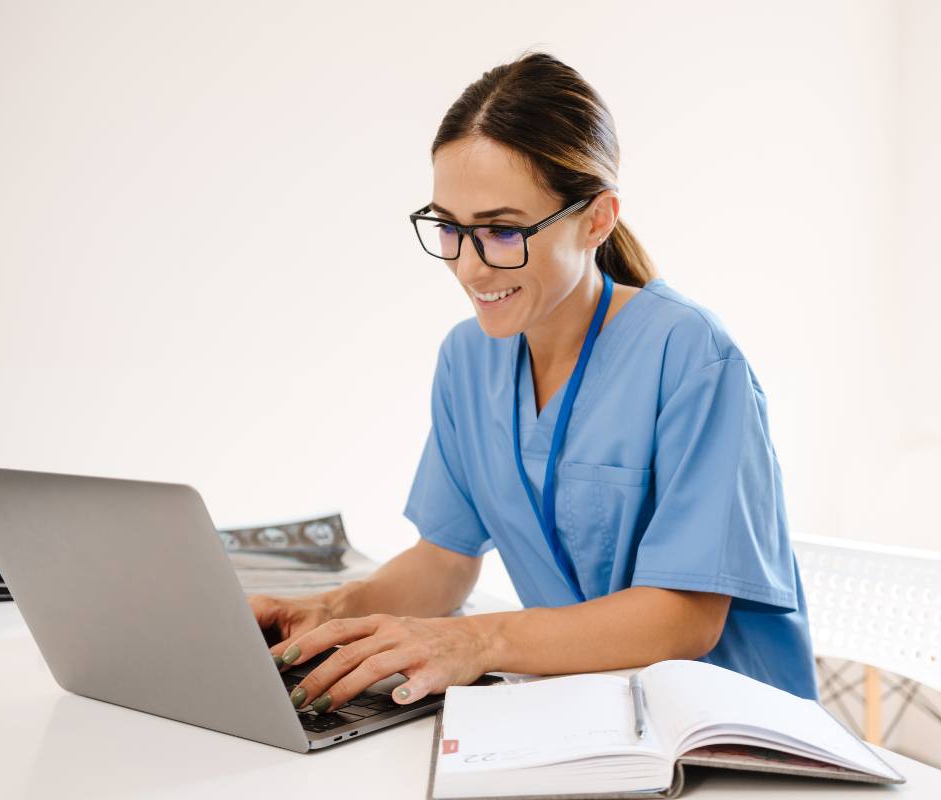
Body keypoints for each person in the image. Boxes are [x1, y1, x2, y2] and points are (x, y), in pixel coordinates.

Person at [249, 51, 817, 718]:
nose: (469, 268)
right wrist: (329, 612)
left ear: (597, 219)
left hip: (726, 729)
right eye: (450, 228)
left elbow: (686, 617)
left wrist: (478, 641)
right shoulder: (468, 360)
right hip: (586, 716)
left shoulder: (691, 355)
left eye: (502, 230)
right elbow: (445, 559)